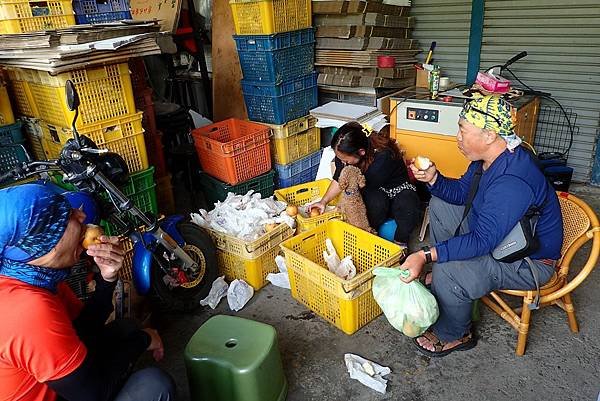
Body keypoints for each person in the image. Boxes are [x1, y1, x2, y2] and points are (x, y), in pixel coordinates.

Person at [399, 94, 563, 357]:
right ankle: (448, 279)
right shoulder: (486, 160)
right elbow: (462, 195)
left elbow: (482, 241)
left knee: (453, 267)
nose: (458, 137)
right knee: (440, 205)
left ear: (489, 135)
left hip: (528, 261)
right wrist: (434, 179)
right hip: (499, 235)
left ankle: (456, 333)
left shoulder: (513, 179)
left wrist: (424, 254)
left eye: (463, 130)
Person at [0, 184, 175, 401]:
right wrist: (144, 340)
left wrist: (107, 278)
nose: (81, 215)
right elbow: (93, 394)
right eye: (65, 218)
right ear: (45, 242)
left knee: (126, 328)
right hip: (74, 393)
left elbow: (81, 331)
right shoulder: (28, 309)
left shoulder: (34, 276)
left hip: (58, 385)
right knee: (154, 385)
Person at [310, 122, 421, 246]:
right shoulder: (345, 156)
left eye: (345, 160)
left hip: (397, 190)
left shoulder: (383, 156)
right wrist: (323, 201)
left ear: (361, 152)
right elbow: (339, 179)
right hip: (376, 190)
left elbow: (357, 187)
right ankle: (369, 238)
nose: (343, 163)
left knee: (408, 204)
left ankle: (400, 244)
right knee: (375, 203)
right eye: (340, 159)